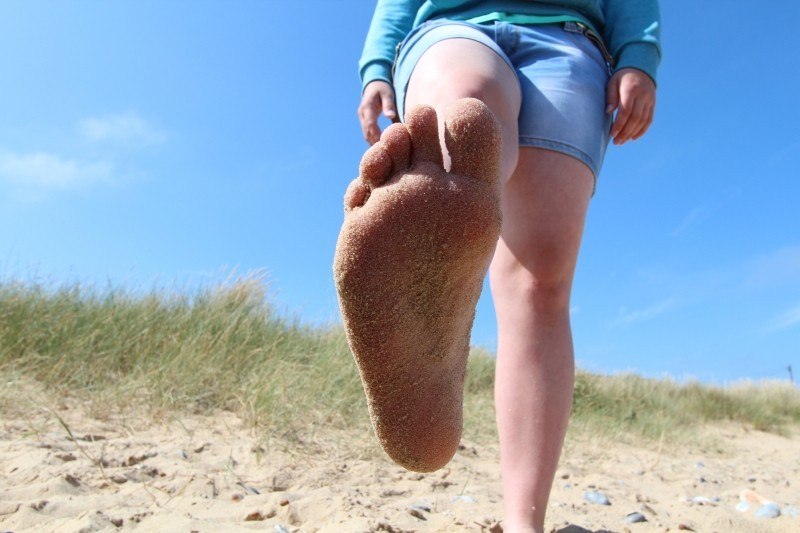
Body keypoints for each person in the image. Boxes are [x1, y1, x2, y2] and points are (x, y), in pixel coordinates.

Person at [351, 1, 660, 531]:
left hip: (571, 43)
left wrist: (638, 53)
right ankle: (434, 254)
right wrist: (377, 66)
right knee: (468, 112)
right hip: (452, 24)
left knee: (539, 283)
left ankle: (524, 522)